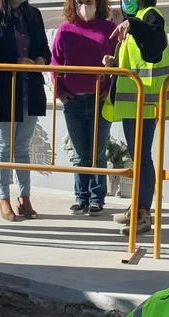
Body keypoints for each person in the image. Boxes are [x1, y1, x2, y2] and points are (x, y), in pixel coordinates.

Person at [102, 0, 169, 235]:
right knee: (138, 157)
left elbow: (154, 46)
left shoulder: (150, 15)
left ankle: (143, 212)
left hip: (145, 103)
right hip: (134, 104)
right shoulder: (137, 19)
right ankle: (137, 208)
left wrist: (132, 23)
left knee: (142, 158)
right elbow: (136, 59)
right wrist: (114, 63)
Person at [0, 0, 51, 222]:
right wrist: (15, 61)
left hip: (29, 89)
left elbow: (44, 49)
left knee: (22, 146)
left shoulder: (33, 14)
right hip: (2, 90)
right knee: (4, 144)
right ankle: (4, 198)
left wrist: (41, 59)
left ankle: (25, 197)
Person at [51, 0, 117, 217]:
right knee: (80, 154)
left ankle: (97, 200)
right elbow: (55, 63)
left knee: (98, 152)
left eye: (89, 1)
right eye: (80, 1)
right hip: (74, 102)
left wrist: (111, 88)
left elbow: (118, 62)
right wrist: (60, 91)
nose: (84, 5)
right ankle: (81, 198)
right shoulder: (65, 30)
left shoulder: (108, 29)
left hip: (100, 99)